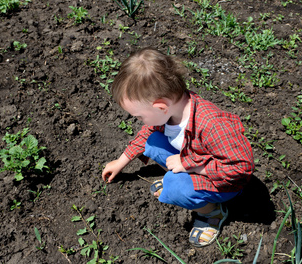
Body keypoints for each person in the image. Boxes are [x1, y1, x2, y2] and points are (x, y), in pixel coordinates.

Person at [102, 47, 254, 247]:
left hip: (225, 183)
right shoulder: (172, 111)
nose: (138, 120)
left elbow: (240, 169)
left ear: (160, 107)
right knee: (152, 142)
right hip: (193, 161)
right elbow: (147, 132)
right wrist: (121, 161)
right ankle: (183, 180)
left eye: (139, 116)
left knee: (175, 188)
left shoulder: (212, 125)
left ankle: (213, 212)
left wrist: (190, 165)